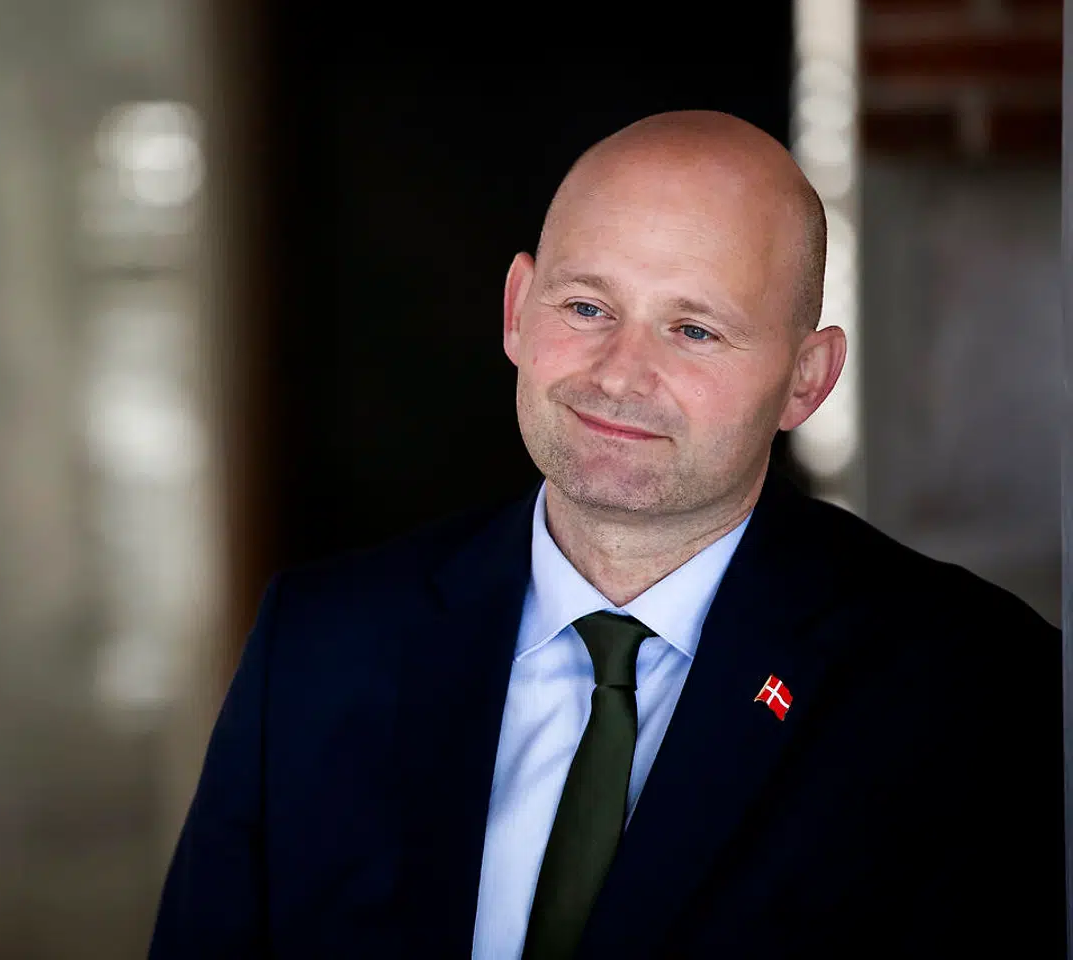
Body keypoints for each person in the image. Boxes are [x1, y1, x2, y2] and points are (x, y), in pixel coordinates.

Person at [148, 111, 1065, 958]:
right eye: (587, 308)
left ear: (807, 380)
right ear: (517, 308)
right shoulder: (320, 643)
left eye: (694, 330)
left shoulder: (976, 690)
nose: (621, 375)